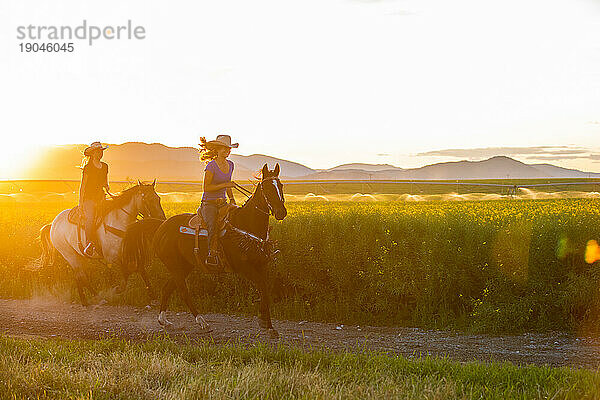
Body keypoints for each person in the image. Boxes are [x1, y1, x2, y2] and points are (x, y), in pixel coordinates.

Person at [198, 134, 237, 266]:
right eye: (224, 148)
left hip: (223, 203)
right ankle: (211, 255)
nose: (227, 151)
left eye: (229, 149)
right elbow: (206, 188)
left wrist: (232, 199)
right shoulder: (211, 166)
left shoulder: (231, 165)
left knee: (237, 220)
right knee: (213, 226)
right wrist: (226, 185)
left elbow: (228, 185)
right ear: (217, 149)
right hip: (209, 204)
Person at [79, 141, 110, 257]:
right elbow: (83, 186)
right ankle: (89, 244)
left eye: (101, 151)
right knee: (90, 218)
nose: (100, 154)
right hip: (89, 198)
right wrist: (81, 203)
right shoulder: (88, 167)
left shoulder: (105, 166)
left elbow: (105, 182)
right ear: (92, 153)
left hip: (101, 197)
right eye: (98, 151)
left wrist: (106, 187)